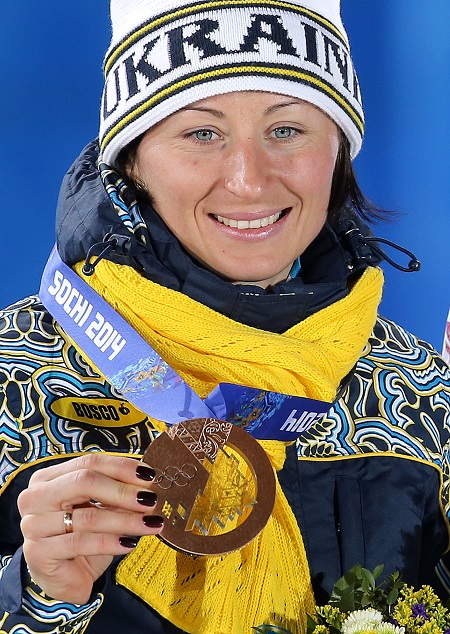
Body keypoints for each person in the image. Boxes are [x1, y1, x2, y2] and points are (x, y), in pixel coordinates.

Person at [0, 1, 449, 632]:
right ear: (129, 159)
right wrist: (39, 594)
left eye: (286, 130)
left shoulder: (419, 390)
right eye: (201, 133)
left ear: (338, 155)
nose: (248, 180)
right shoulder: (14, 374)